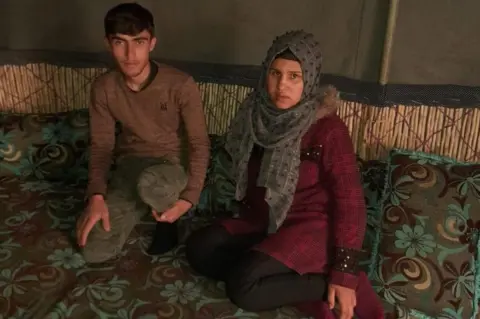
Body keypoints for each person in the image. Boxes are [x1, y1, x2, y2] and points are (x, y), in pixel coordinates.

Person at [185, 30, 383, 319]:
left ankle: (322, 284)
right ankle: (271, 274)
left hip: (309, 227)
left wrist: (344, 271)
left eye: (294, 77)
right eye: (276, 73)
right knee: (199, 249)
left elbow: (350, 201)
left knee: (243, 289)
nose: (282, 85)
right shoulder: (254, 115)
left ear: (310, 79)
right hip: (262, 220)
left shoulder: (327, 129)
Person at [75, 3, 210, 264]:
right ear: (108, 44)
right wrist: (96, 196)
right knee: (92, 249)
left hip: (169, 167)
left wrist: (189, 198)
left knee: (152, 183)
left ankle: (169, 223)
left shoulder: (180, 84)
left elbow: (199, 143)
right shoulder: (103, 87)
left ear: (152, 43)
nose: (129, 54)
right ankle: (142, 205)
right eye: (120, 42)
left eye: (138, 42)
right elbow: (102, 145)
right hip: (130, 167)